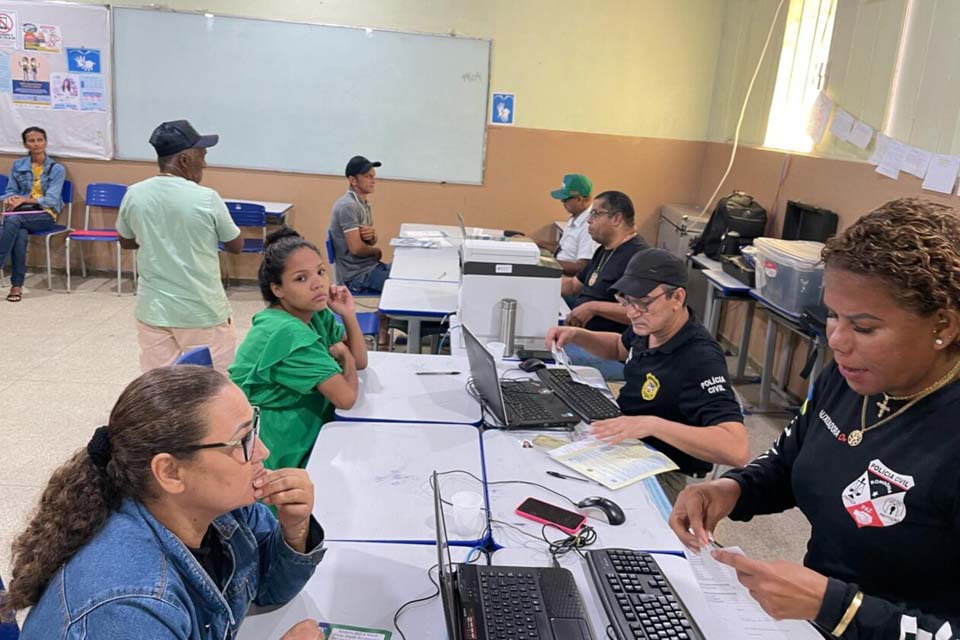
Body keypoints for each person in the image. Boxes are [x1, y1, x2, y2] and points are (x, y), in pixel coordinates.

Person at [670, 198, 960, 639]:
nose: (838, 341)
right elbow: (791, 461)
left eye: (863, 327)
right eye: (832, 316)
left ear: (944, 325)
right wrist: (733, 489)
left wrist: (839, 608)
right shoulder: (848, 379)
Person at [3, 366, 326, 640]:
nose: (263, 452)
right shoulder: (129, 606)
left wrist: (294, 526)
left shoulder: (221, 511)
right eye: (242, 441)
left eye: (253, 430)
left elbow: (270, 590)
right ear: (170, 472)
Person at [548, 248, 748, 502]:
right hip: (625, 445)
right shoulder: (650, 327)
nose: (632, 312)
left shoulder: (700, 359)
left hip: (662, 468)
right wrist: (579, 336)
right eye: (627, 301)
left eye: (643, 303)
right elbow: (620, 347)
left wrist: (652, 424)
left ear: (677, 297)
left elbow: (736, 449)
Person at [229, 228, 367, 470]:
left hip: (298, 421)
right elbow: (346, 398)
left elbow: (360, 362)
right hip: (274, 444)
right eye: (301, 278)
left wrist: (348, 314)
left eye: (321, 272)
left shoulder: (313, 313)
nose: (318, 284)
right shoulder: (288, 333)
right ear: (277, 289)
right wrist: (345, 355)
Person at [117, 119, 244, 373]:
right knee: (212, 387)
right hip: (201, 310)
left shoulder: (135, 193)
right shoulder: (206, 198)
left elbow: (126, 240)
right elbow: (236, 244)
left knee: (162, 386)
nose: (205, 164)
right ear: (185, 160)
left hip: (153, 311)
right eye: (202, 156)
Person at [559, 190, 649, 379]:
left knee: (549, 359)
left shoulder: (639, 258)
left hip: (609, 351)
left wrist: (593, 308)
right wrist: (533, 283)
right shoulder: (604, 250)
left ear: (616, 218)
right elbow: (574, 286)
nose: (589, 221)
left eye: (595, 214)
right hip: (583, 336)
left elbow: (642, 312)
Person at [1, 126, 66, 302]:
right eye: (31, 141)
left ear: (45, 142)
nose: (36, 144)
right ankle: (16, 286)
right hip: (20, 214)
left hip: (45, 214)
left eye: (40, 140)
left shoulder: (56, 168)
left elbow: (52, 200)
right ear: (25, 144)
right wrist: (11, 199)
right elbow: (9, 190)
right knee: (19, 233)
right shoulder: (18, 165)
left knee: (13, 221)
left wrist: (24, 200)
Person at [328, 155, 390, 293]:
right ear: (353, 180)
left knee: (402, 272)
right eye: (368, 176)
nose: (373, 181)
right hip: (356, 276)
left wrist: (372, 236)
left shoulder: (363, 203)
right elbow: (356, 248)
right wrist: (377, 252)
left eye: (373, 176)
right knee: (401, 285)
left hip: (369, 267)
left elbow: (369, 241)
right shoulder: (348, 206)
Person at [545, 173, 598, 276]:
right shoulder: (576, 216)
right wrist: (535, 243)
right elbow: (563, 248)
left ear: (579, 199)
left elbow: (582, 267)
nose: (561, 202)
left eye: (565, 199)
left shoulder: (589, 226)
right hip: (559, 269)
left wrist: (546, 263)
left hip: (568, 279)